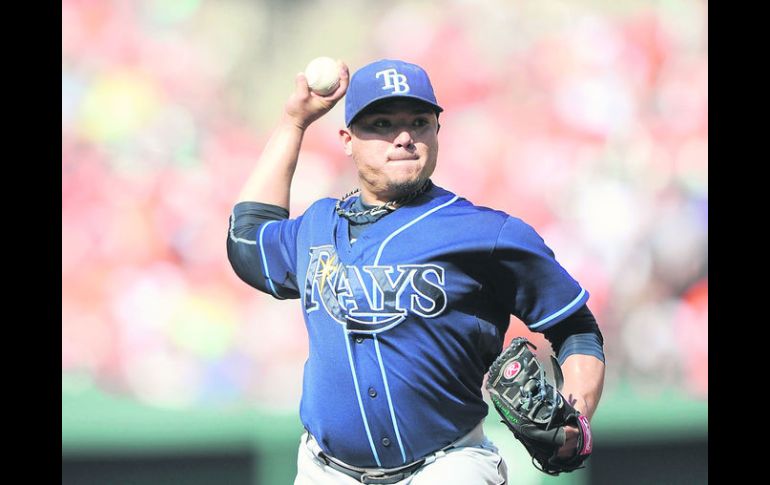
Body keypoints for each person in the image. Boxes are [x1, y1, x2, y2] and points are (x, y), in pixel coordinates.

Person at [227, 58, 606, 484]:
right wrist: (294, 123)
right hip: (325, 471)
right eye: (383, 123)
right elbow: (246, 241)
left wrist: (577, 415)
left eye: (419, 122)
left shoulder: (485, 232)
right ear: (347, 139)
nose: (403, 137)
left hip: (447, 465)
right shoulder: (316, 226)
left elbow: (575, 326)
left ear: (437, 133)